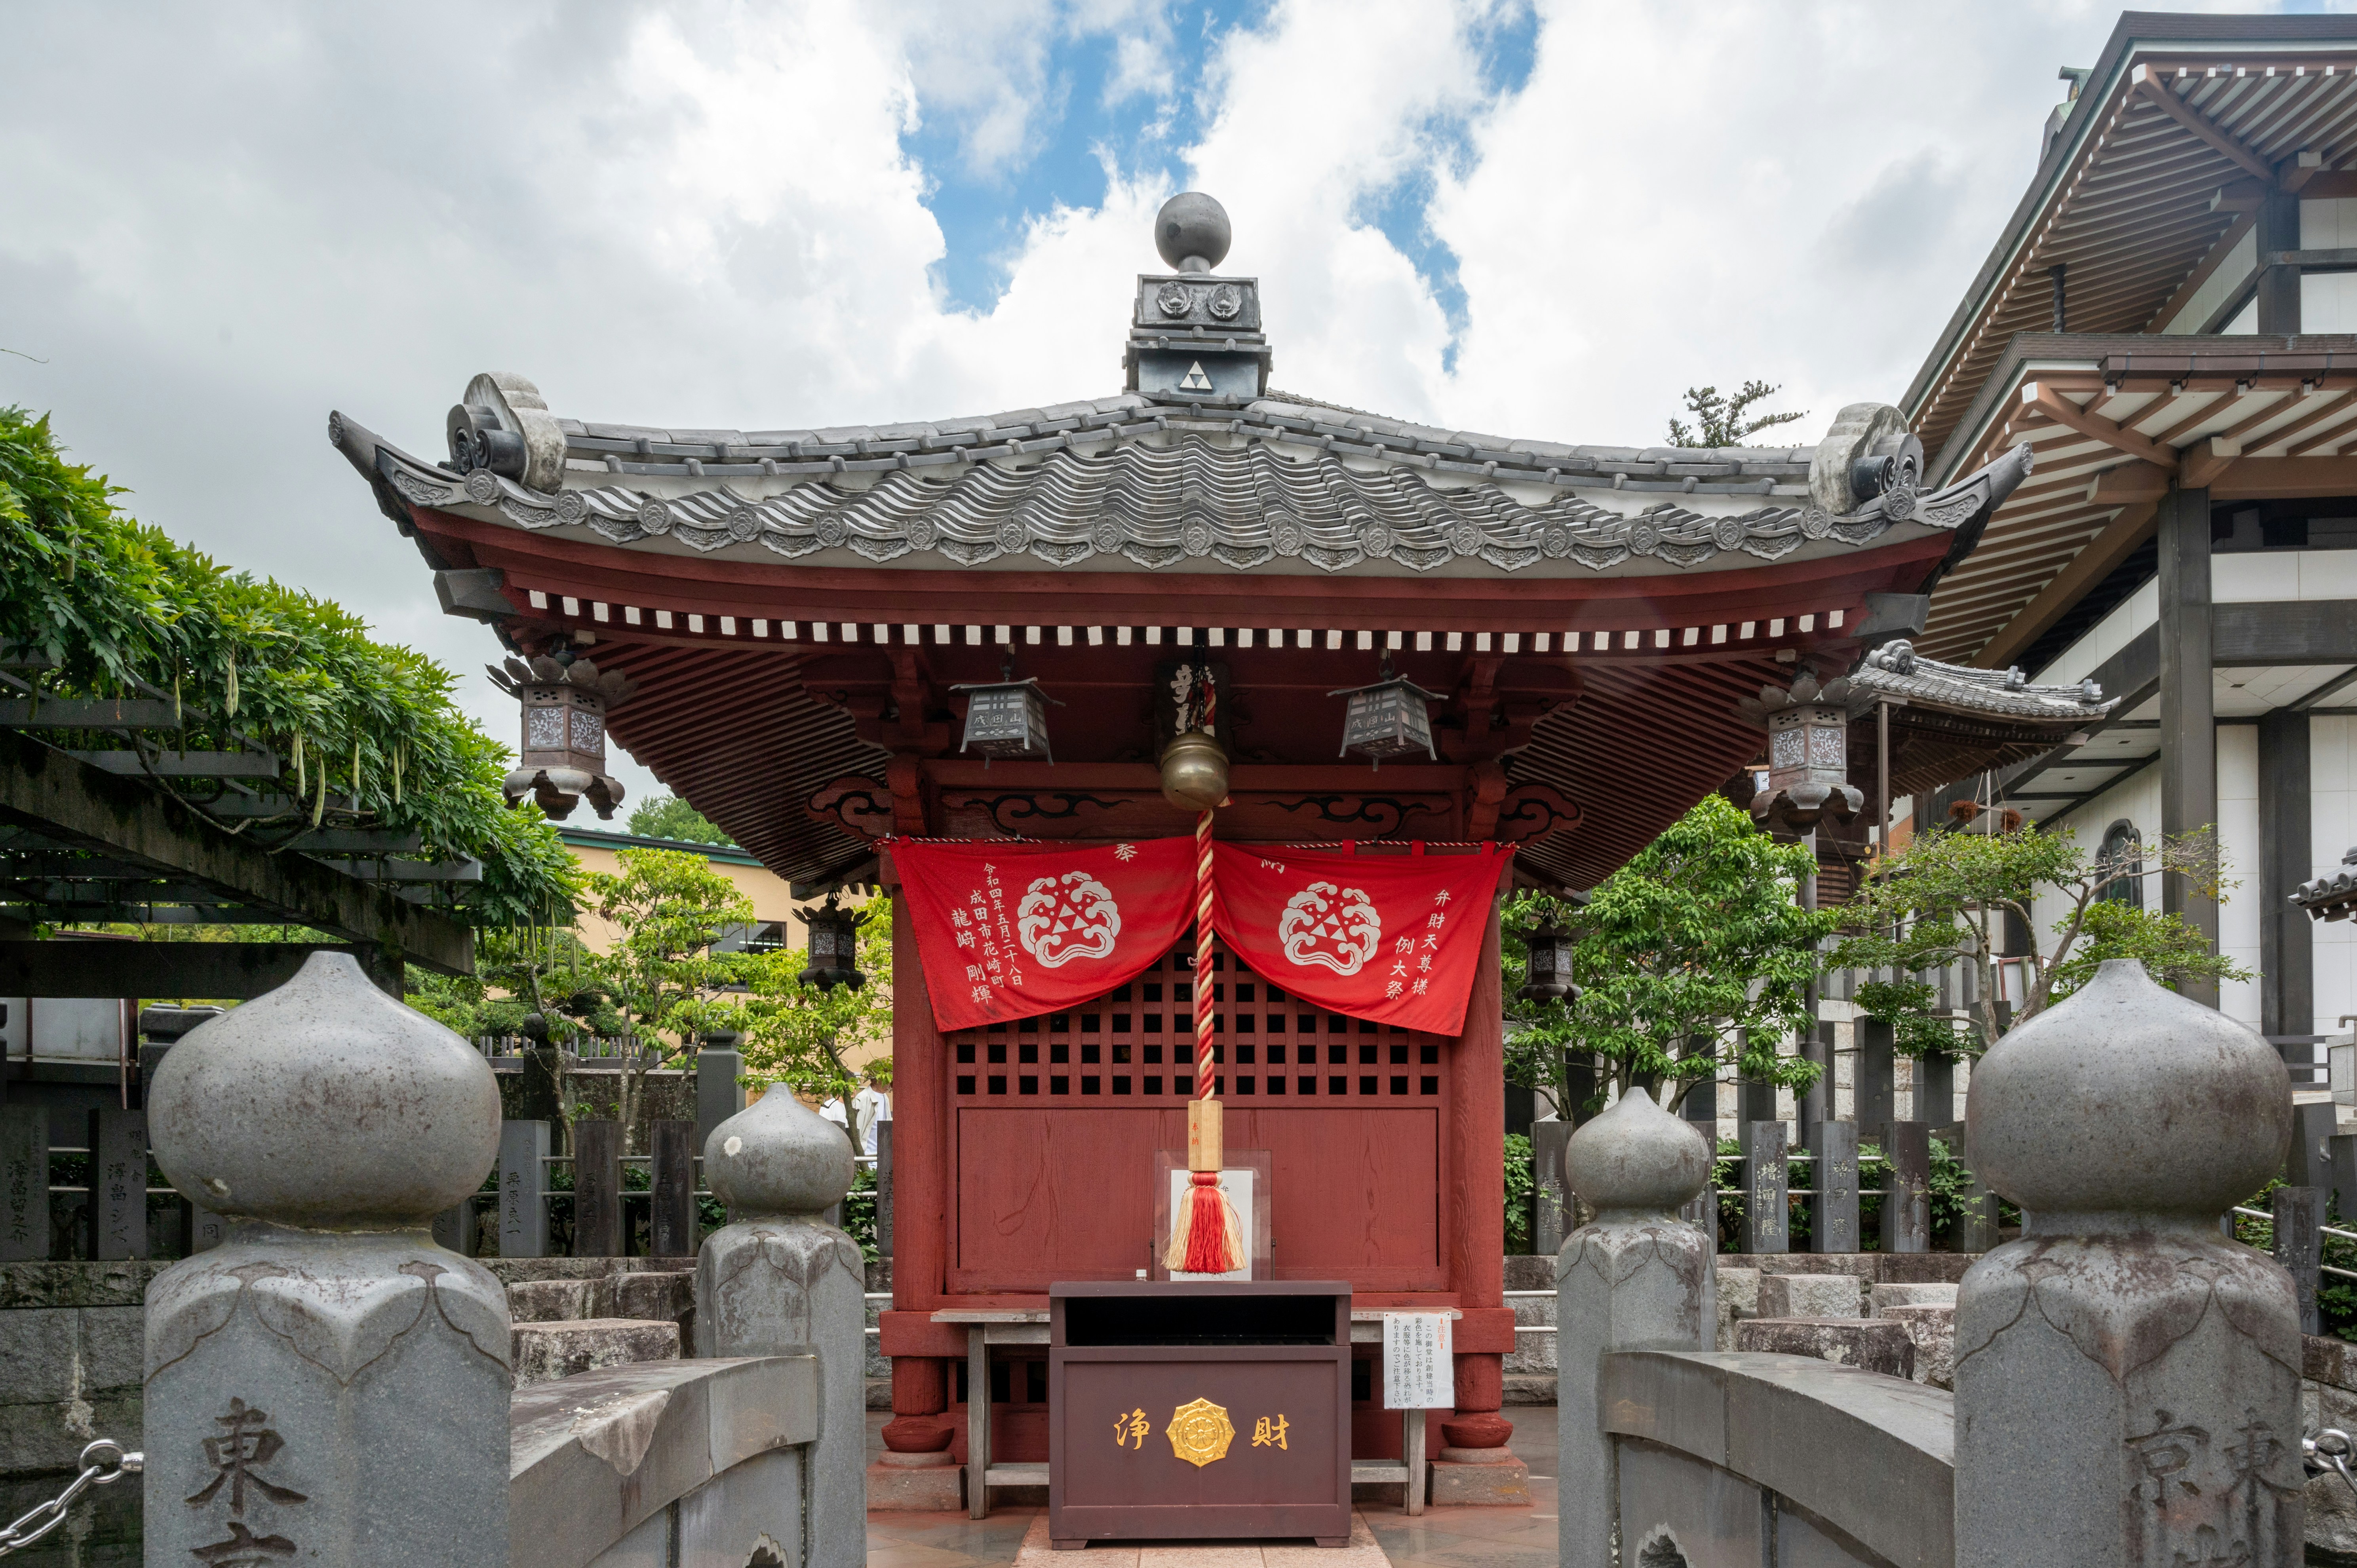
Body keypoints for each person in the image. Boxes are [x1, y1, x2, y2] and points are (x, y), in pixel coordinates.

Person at [852, 1064, 892, 1157]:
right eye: (888, 1078)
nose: (891, 1082)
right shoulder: (863, 1097)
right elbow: (856, 1128)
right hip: (866, 1155)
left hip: (882, 1155)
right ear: (878, 1079)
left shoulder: (885, 1097)